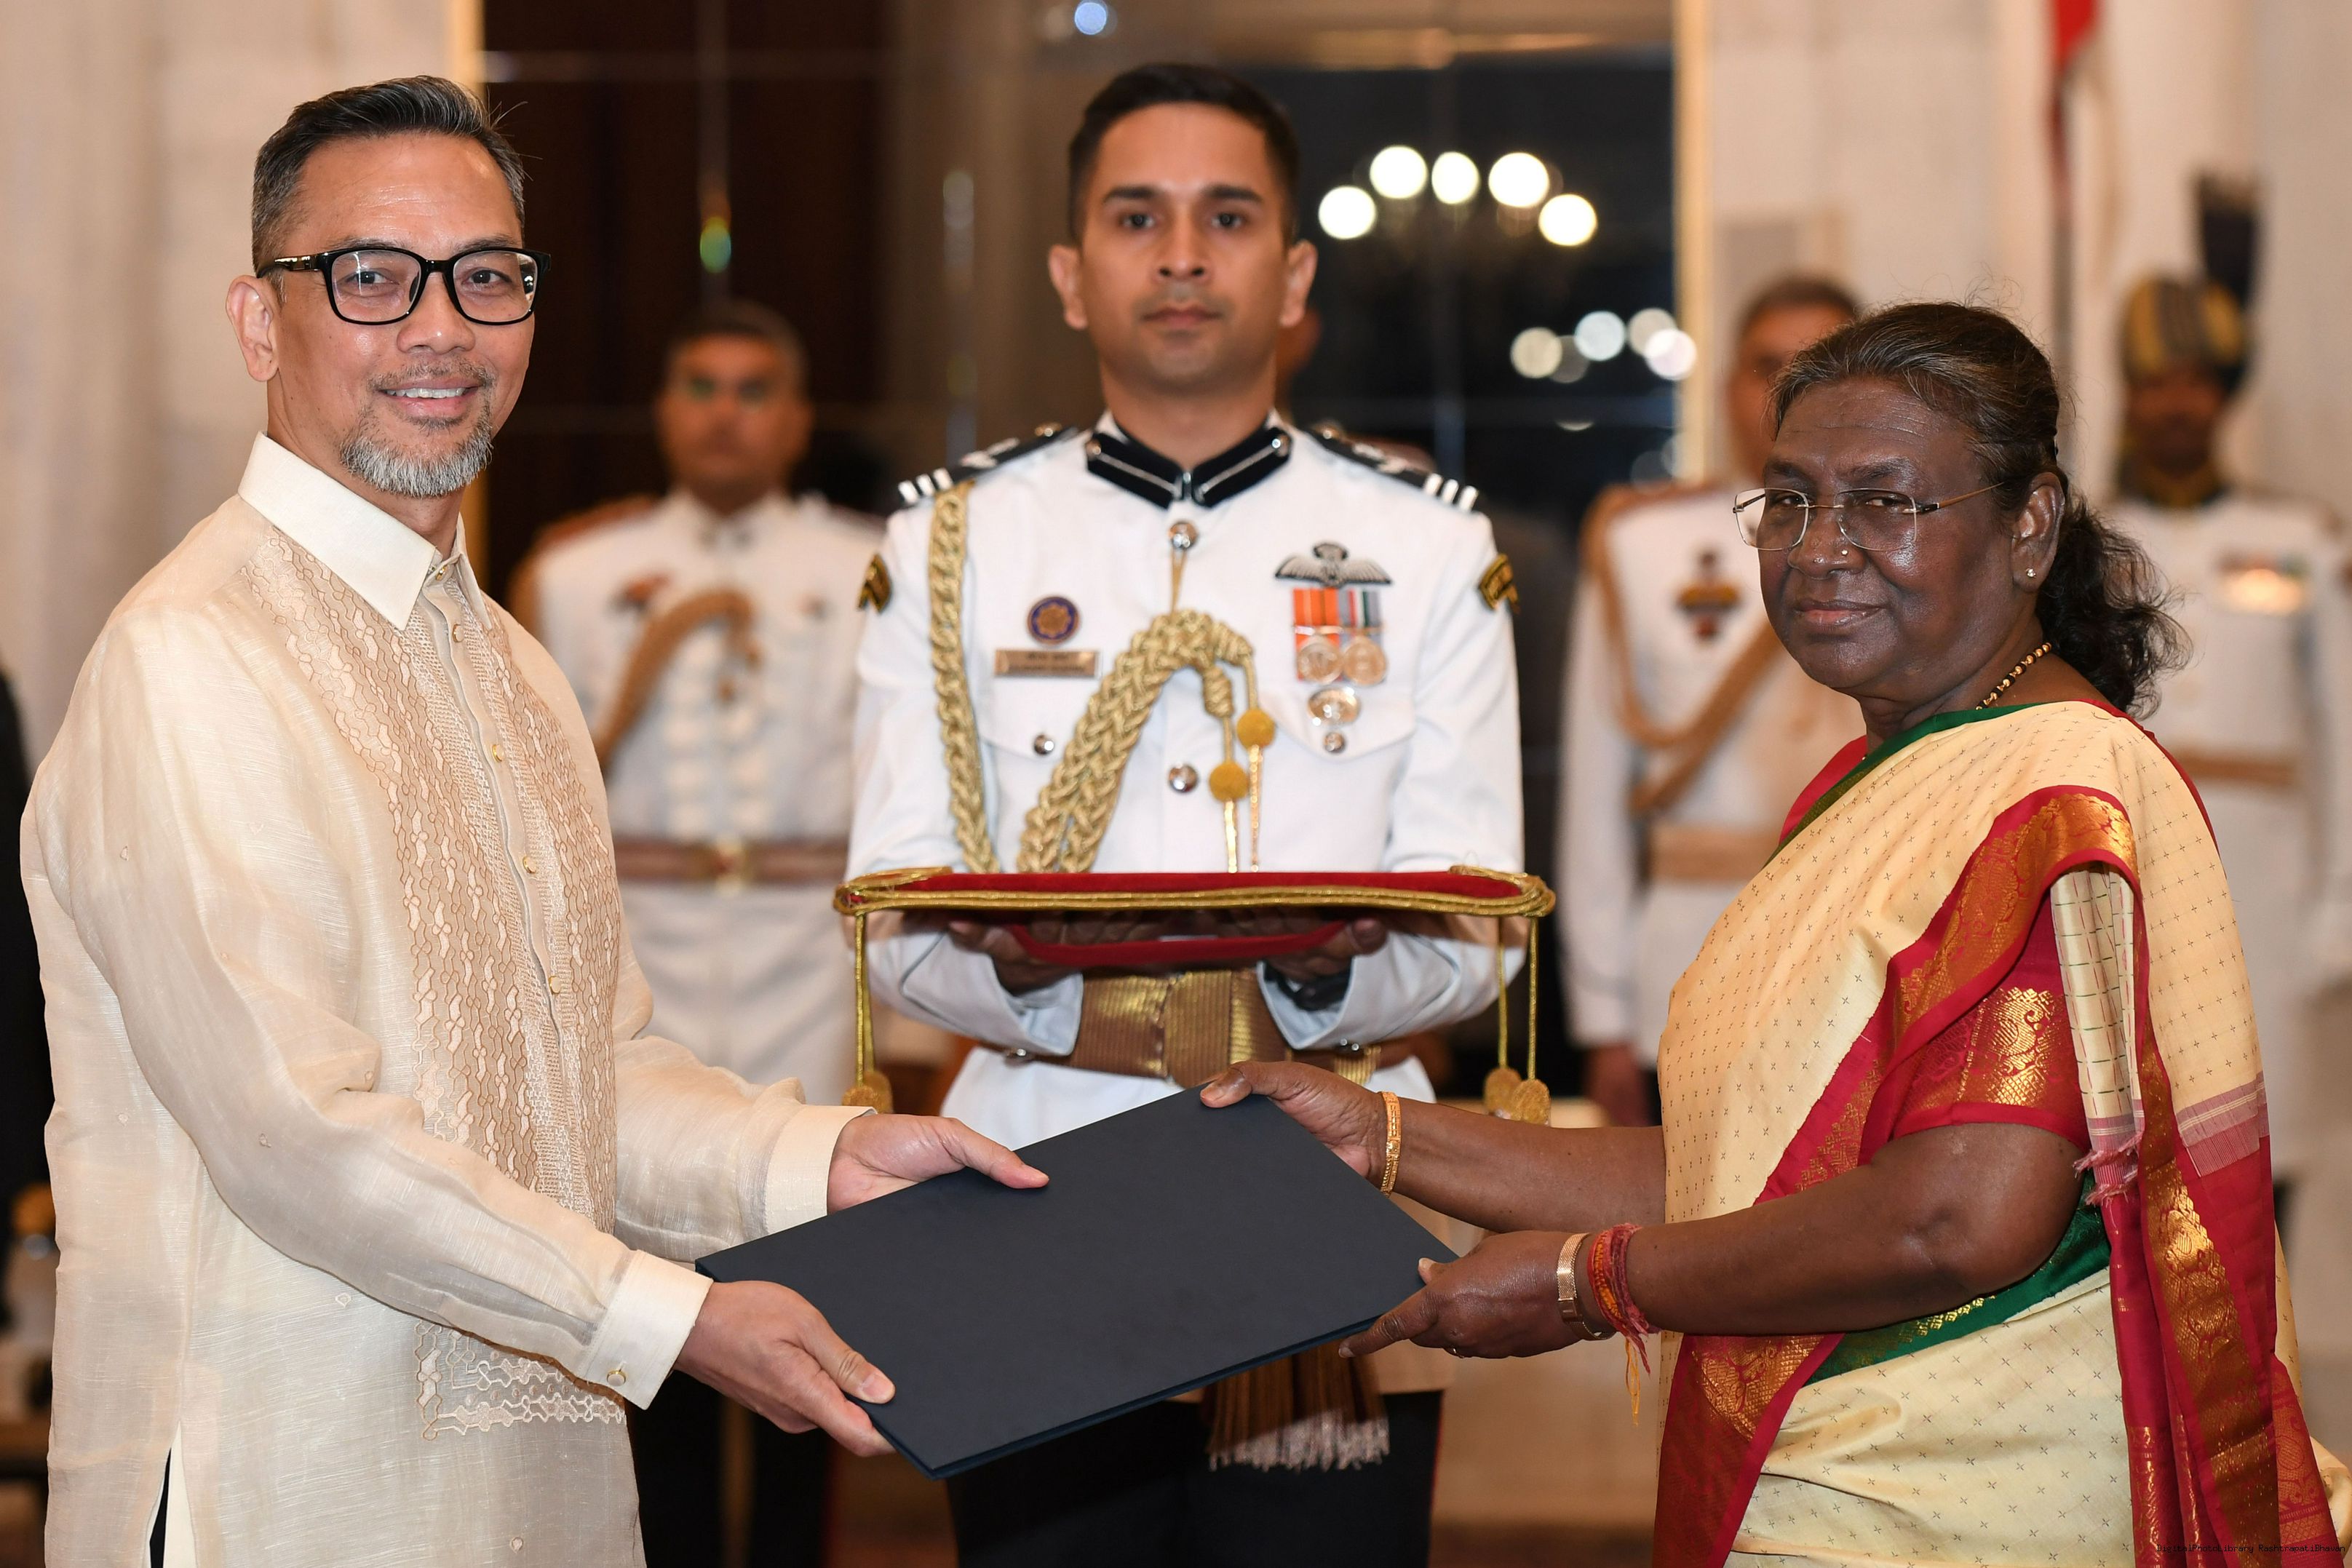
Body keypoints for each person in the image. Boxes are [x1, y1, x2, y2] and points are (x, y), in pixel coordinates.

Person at [22, 77, 1044, 1566]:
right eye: (371, 277)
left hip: (537, 1489)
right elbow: (296, 1133)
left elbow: (586, 1080)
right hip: (287, 1490)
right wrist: (676, 1320)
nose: (440, 328)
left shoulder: (512, 667)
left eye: (487, 277)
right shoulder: (191, 658)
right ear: (259, 323)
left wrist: (817, 1164)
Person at [1206, 302, 2352, 1561]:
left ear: (2029, 526)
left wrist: (1589, 1282)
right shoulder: (1894, 776)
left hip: (1959, 1504)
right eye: (1791, 500)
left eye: (1885, 504)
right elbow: (1746, 1169)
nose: (1819, 550)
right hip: (1853, 1486)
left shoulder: (2046, 789)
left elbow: (1956, 1217)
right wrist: (1378, 1134)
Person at [848, 63, 1520, 1567]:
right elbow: (890, 920)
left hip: (1328, 1193)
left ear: (1293, 274)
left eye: (1226, 218)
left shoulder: (1422, 550)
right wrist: (1029, 976)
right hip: (1032, 1187)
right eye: (1134, 217)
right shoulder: (949, 543)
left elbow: (1477, 929)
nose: (1178, 256)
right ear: (1068, 272)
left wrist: (1319, 980)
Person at [510, 301, 880, 1566]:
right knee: (653, 1303)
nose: (726, 413)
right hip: (641, 963)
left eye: (754, 388)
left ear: (798, 417)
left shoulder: (869, 569)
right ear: (666, 412)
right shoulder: (574, 572)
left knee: (818, 1300)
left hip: (809, 963)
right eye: (702, 387)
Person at [1562, 276, 1862, 1127]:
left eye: (1821, 367)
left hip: (1860, 957)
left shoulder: (1912, 538)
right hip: (1687, 962)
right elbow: (1595, 790)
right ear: (1728, 386)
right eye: (1769, 367)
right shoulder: (1641, 544)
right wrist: (1603, 1016)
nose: (1790, 391)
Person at [2103, 274, 2352, 1195]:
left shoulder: (2300, 539)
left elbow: (2344, 728)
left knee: (2263, 1150)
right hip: (2130, 866)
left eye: (2198, 381)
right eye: (2157, 381)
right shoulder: (2089, 543)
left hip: (2267, 890)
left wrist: (2339, 902)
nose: (2178, 402)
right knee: (2133, 1145)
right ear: (2129, 392)